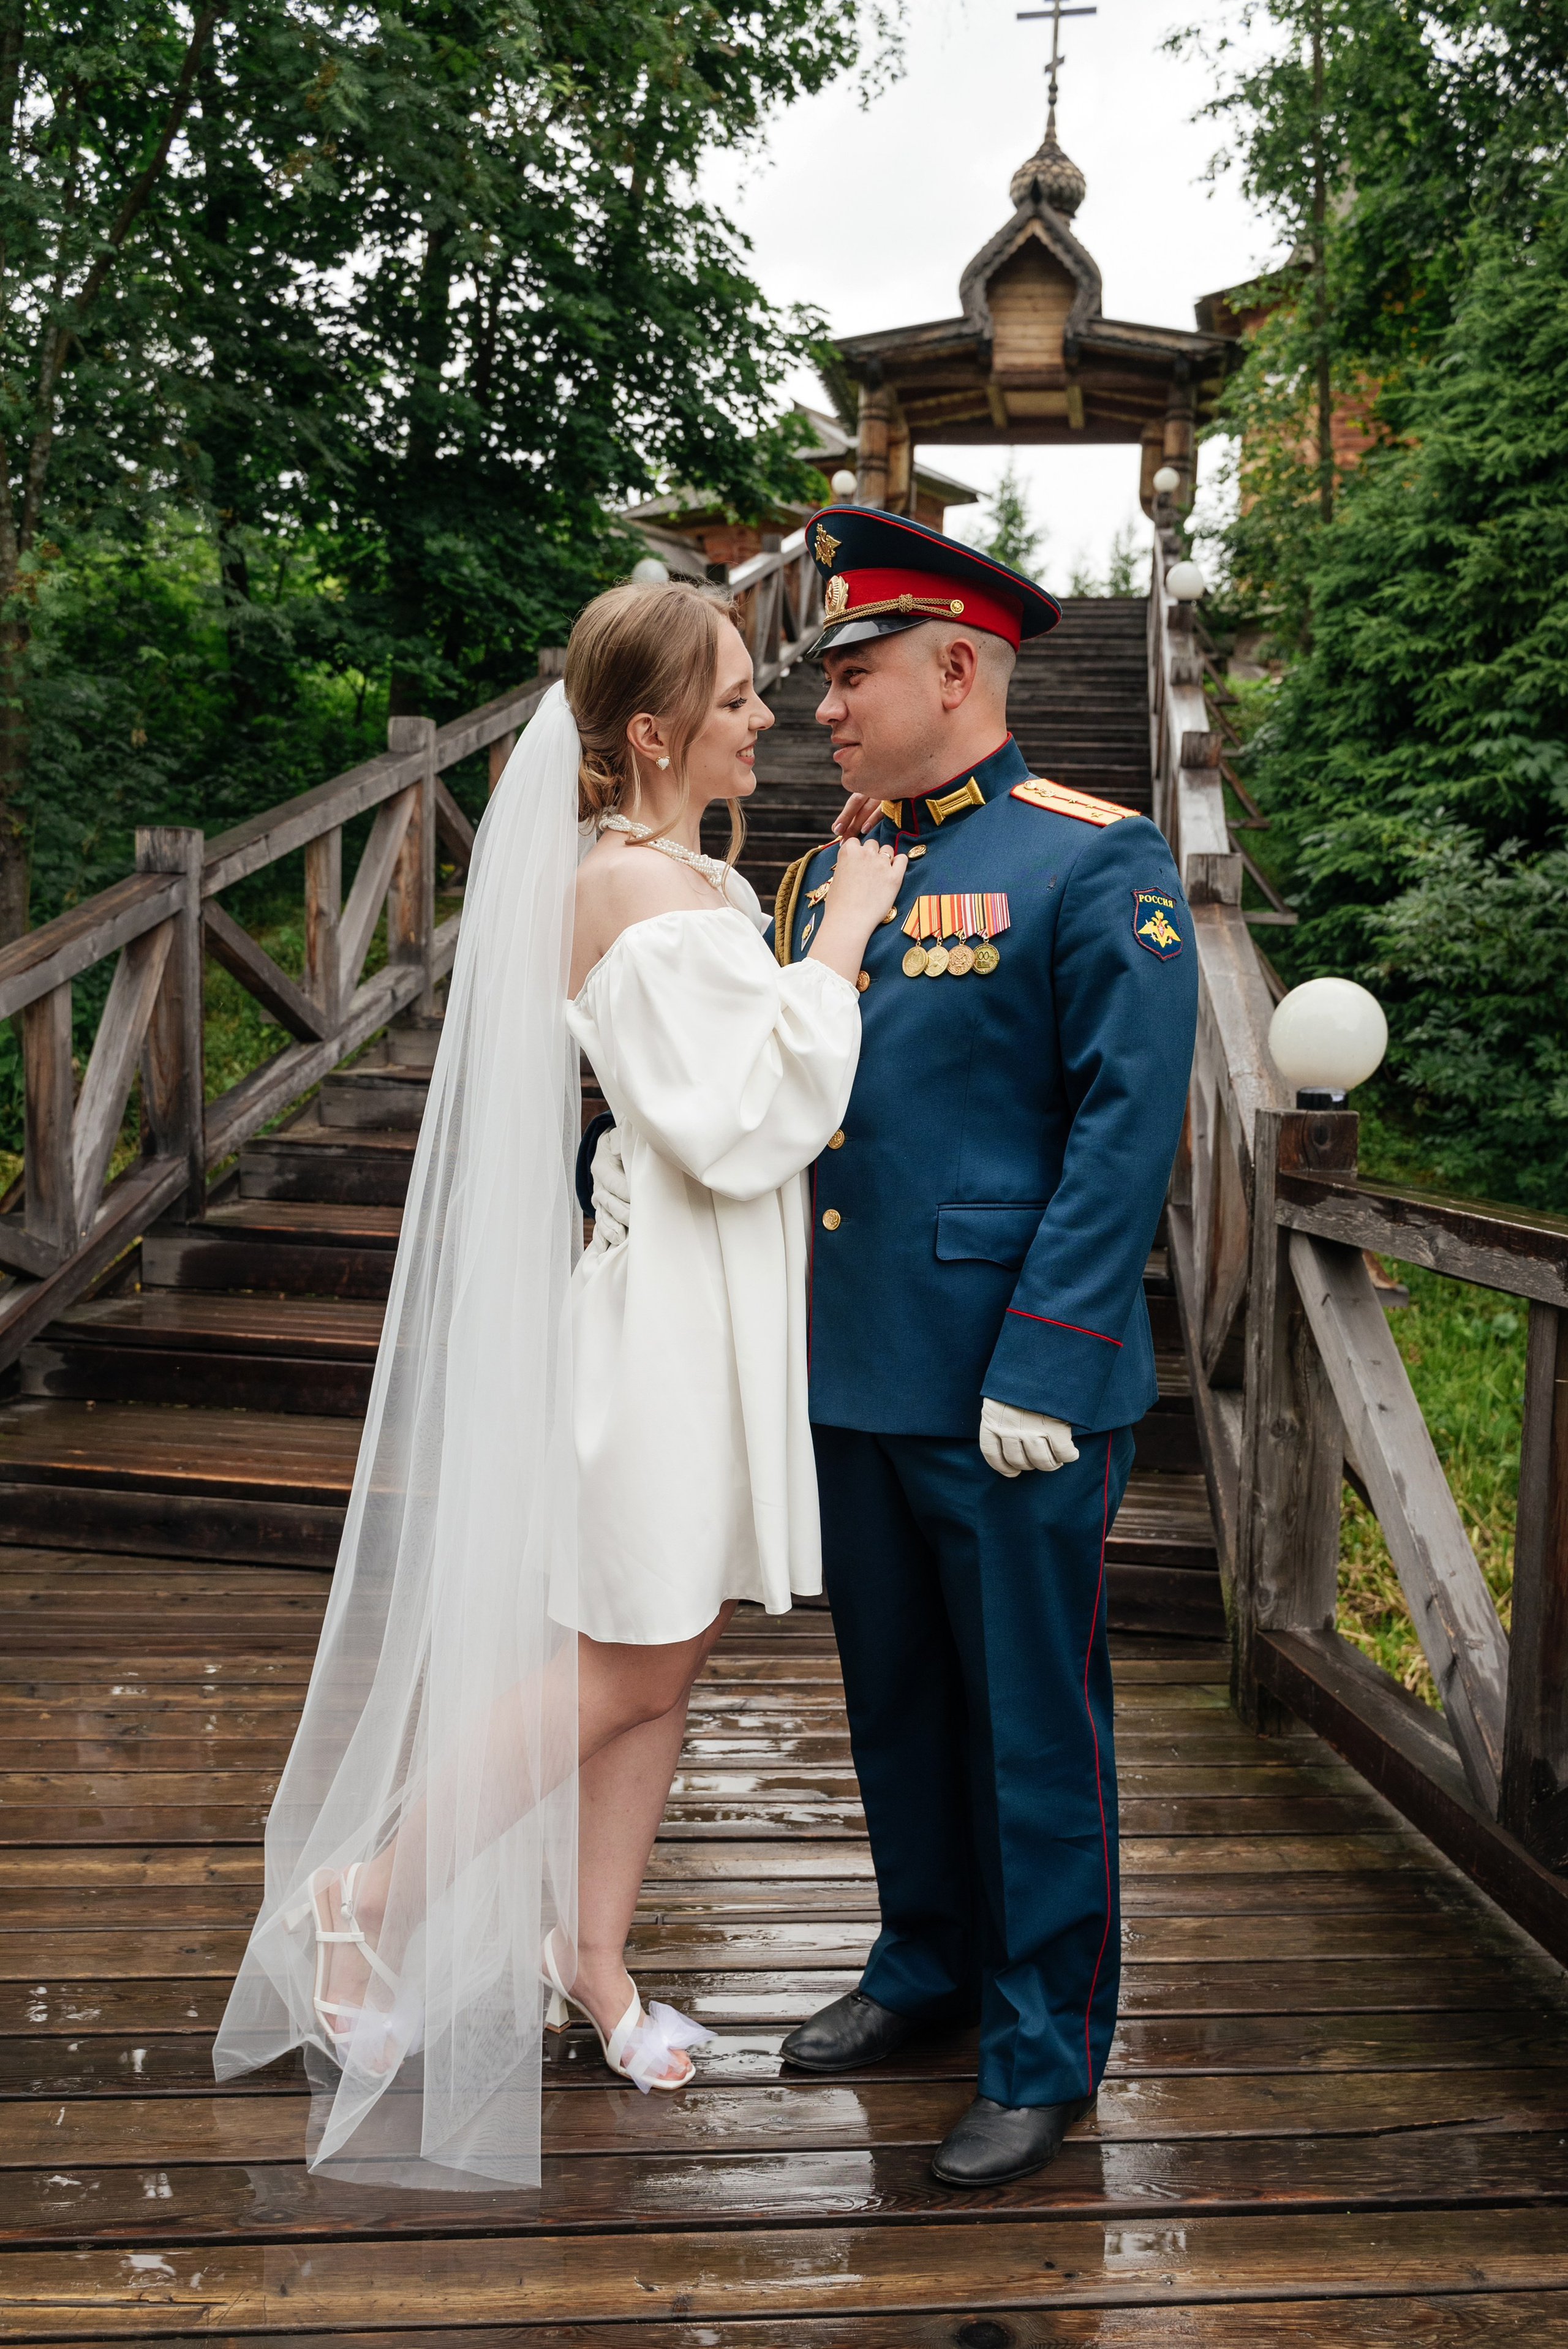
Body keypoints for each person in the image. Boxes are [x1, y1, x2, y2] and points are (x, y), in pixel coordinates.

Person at [213, 579, 905, 2187]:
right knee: (620, 1660)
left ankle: (590, 1956)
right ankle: (365, 1901)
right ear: (653, 733)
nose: (764, 714)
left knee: (666, 1657)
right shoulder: (629, 888)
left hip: (709, 1314)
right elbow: (737, 1119)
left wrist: (814, 914)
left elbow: (729, 1047)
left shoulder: (688, 879)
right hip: (663, 1326)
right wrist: (848, 935)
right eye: (734, 696)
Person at [587, 505, 1199, 2189]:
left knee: (1032, 1727)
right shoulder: (813, 877)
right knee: (901, 1709)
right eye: (822, 676)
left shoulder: (1093, 859)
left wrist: (1052, 1355)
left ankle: (1044, 2042)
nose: (825, 704)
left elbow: (1124, 1132)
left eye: (855, 675)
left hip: (1011, 1383)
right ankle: (927, 1962)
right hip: (853, 1366)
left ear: (956, 670)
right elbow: (759, 1090)